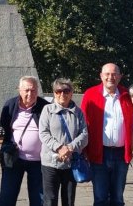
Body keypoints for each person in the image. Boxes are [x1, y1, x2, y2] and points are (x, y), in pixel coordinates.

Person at [80, 63, 133, 206]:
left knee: (118, 198)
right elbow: (82, 123)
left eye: (114, 74)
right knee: (100, 198)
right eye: (107, 74)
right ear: (101, 76)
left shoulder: (127, 95)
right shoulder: (90, 94)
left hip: (121, 155)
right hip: (99, 154)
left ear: (120, 76)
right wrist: (85, 150)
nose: (111, 77)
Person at [0, 76, 49, 206]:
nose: (29, 94)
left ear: (37, 91)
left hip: (39, 161)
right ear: (19, 90)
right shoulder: (10, 105)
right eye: (26, 90)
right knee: (6, 197)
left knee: (39, 200)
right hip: (14, 159)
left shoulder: (45, 107)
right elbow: (5, 126)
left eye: (33, 90)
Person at [39, 78, 89, 206]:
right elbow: (43, 133)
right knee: (50, 200)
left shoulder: (78, 112)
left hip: (71, 162)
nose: (62, 94)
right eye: (58, 91)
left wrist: (69, 148)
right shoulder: (47, 110)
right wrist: (60, 148)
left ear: (71, 92)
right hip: (50, 163)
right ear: (54, 93)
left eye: (66, 91)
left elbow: (84, 135)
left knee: (69, 200)